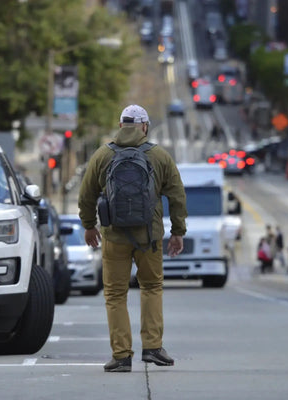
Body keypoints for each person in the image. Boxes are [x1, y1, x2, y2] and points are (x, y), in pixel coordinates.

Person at [78, 104, 187, 373]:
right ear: (144, 127)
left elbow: (86, 194)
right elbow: (177, 196)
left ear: (120, 126)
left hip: (114, 237)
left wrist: (89, 225)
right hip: (149, 237)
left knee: (115, 294)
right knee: (151, 287)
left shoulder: (103, 155)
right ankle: (152, 347)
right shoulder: (159, 156)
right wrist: (177, 232)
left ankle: (121, 355)